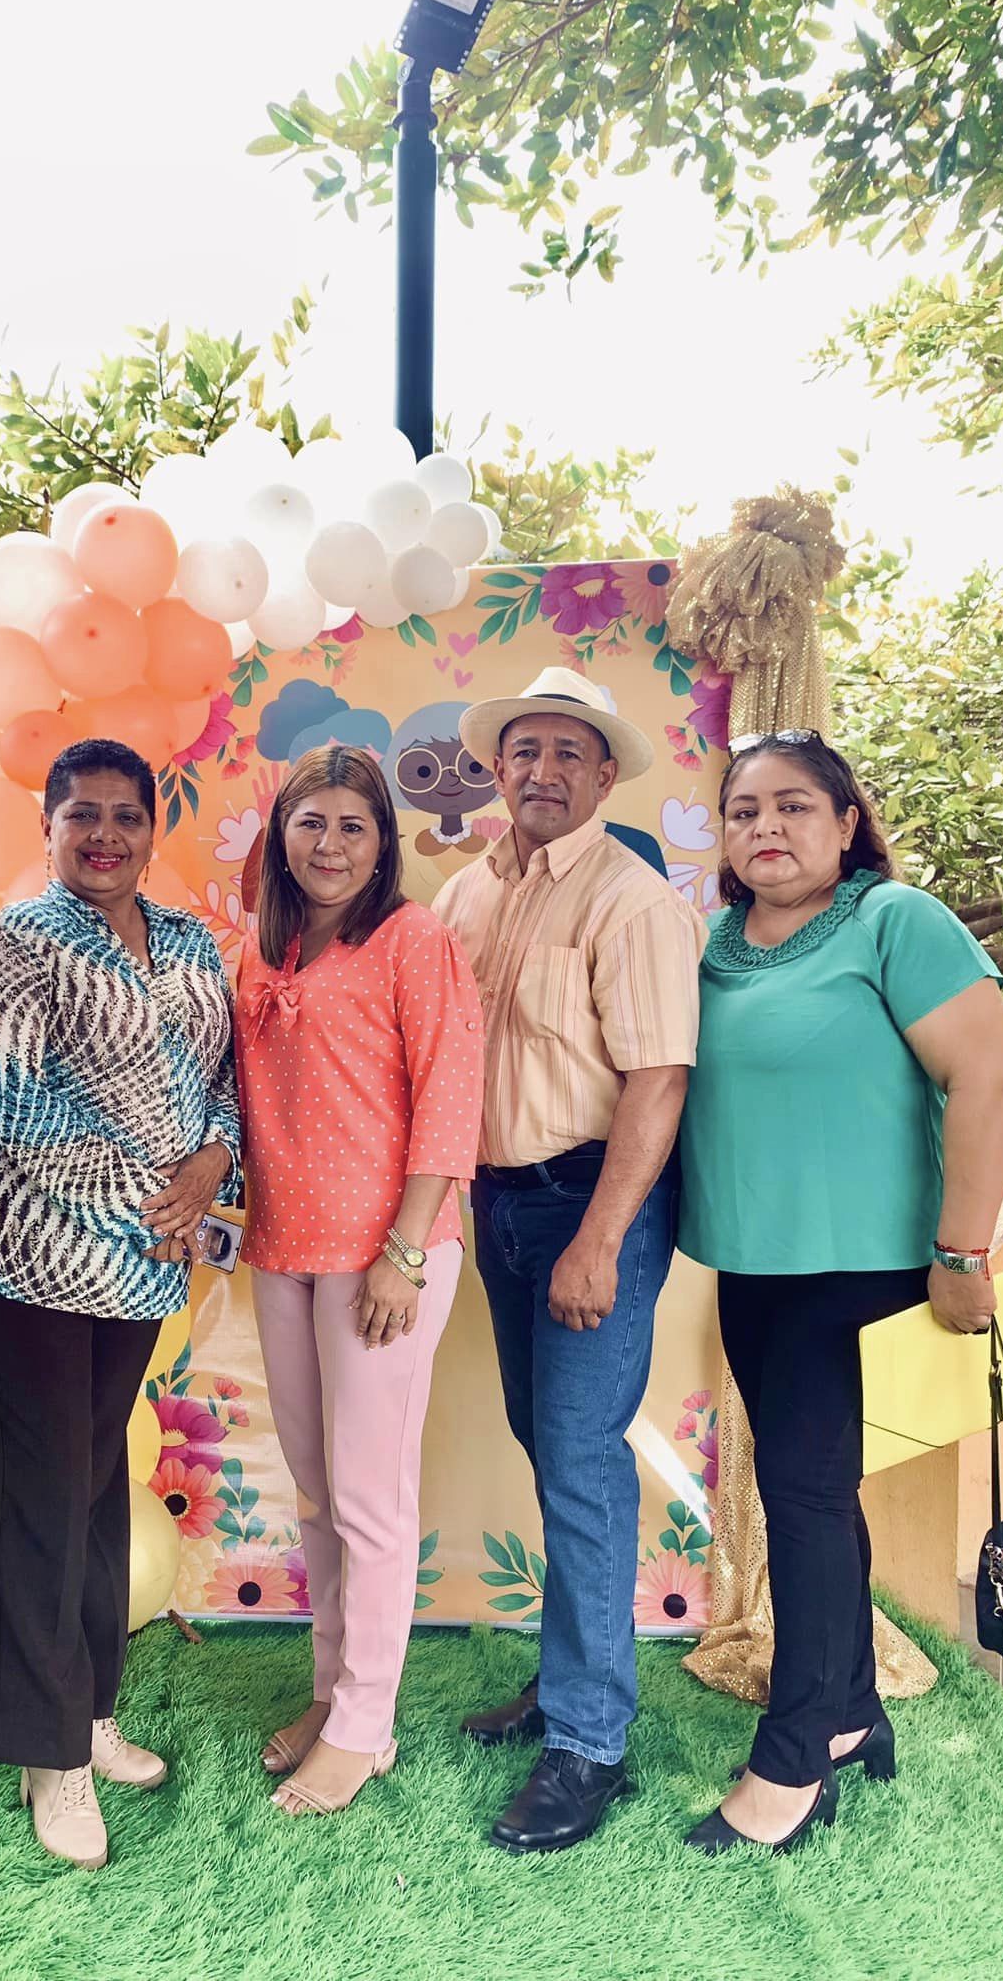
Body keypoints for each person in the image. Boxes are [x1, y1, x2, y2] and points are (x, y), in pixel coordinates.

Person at [677, 729, 1003, 1855]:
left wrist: (962, 1252)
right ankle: (858, 1710)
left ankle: (797, 1755)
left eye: (792, 805)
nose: (766, 827)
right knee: (813, 1495)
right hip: (753, 1269)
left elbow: (988, 1076)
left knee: (806, 1499)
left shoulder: (895, 922)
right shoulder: (713, 942)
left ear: (844, 820)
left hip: (860, 1270)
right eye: (743, 811)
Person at [0, 737, 241, 1871]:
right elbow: (19, 1102)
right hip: (29, 1254)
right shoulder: (18, 941)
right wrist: (160, 1206)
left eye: (126, 815)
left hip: (142, 1268)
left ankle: (92, 1705)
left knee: (95, 1484)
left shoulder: (187, 941)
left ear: (153, 831)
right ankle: (47, 1749)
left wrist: (212, 1166)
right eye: (83, 815)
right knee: (39, 1496)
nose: (105, 834)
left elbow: (223, 1082)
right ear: (49, 825)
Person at [432, 665, 706, 1855]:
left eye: (566, 752)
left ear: (602, 774)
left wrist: (599, 1237)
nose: (541, 769)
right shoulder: (464, 894)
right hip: (498, 1204)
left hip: (593, 1205)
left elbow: (660, 1079)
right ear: (497, 768)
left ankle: (591, 1742)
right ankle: (565, 1681)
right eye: (523, 750)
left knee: (583, 1462)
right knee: (551, 1447)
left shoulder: (632, 899)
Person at [235, 745, 482, 1816]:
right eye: (311, 822)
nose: (329, 844)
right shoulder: (262, 949)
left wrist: (406, 1252)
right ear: (281, 835)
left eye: (353, 825)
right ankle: (332, 1690)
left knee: (370, 1498)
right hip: (282, 1248)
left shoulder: (412, 939)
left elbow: (451, 1097)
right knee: (317, 1490)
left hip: (385, 1255)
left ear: (383, 843)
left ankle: (364, 1724)